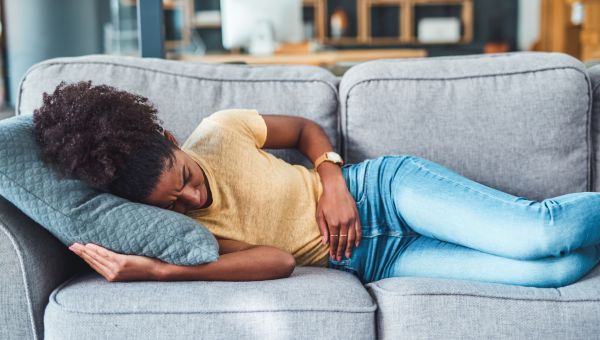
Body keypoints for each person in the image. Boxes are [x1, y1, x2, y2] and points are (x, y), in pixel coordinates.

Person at [33, 81, 600, 288]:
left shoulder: (221, 131)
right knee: (553, 271)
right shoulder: (173, 231)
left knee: (538, 235)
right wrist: (158, 271)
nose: (193, 199)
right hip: (375, 262)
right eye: (176, 202)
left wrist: (331, 178)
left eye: (184, 179)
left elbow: (305, 129)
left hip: (381, 191)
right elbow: (278, 262)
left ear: (171, 138)